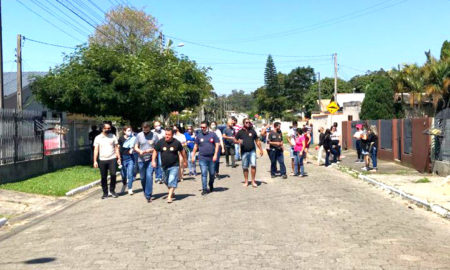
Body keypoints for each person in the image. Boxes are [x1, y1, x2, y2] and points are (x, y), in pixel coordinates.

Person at [152, 128, 187, 203]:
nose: (167, 136)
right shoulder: (161, 142)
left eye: (169, 135)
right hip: (164, 166)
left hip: (174, 165)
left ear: (172, 135)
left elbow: (182, 151)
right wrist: (153, 161)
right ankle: (172, 191)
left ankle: (169, 196)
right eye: (166, 134)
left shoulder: (176, 142)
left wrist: (185, 161)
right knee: (165, 180)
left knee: (172, 180)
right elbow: (155, 150)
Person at [93, 122, 121, 199]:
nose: (108, 129)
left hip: (112, 158)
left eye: (109, 128)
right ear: (102, 129)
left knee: (113, 175)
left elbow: (116, 148)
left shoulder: (113, 136)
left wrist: (119, 158)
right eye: (106, 128)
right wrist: (95, 161)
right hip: (102, 160)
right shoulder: (98, 138)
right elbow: (96, 150)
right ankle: (105, 193)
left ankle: (112, 190)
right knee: (103, 177)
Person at [191, 121, 220, 195]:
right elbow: (195, 146)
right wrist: (193, 155)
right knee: (204, 173)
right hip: (202, 158)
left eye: (204, 127)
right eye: (201, 127)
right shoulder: (199, 136)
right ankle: (204, 189)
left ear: (207, 127)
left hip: (211, 158)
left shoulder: (213, 135)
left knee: (212, 173)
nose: (202, 128)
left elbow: (217, 145)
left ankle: (211, 184)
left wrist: (215, 155)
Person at [134, 122, 158, 203]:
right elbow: (135, 147)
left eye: (146, 128)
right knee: (143, 178)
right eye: (144, 128)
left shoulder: (154, 135)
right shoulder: (139, 135)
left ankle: (148, 195)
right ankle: (145, 191)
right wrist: (139, 151)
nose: (145, 130)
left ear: (149, 127)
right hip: (141, 160)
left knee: (149, 176)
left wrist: (151, 150)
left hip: (151, 158)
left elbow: (157, 147)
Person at [235, 118, 263, 188]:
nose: (248, 123)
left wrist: (261, 149)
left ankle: (253, 181)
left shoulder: (253, 131)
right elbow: (235, 140)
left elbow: (257, 141)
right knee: (245, 167)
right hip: (244, 152)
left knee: (253, 165)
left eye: (249, 122)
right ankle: (246, 181)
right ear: (244, 123)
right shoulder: (240, 132)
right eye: (246, 122)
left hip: (252, 151)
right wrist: (238, 142)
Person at [118, 126, 136, 195]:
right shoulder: (121, 139)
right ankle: (124, 183)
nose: (130, 132)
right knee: (123, 175)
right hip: (123, 158)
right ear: (124, 131)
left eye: (130, 130)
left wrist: (132, 148)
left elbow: (136, 146)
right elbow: (118, 148)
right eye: (128, 130)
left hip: (130, 158)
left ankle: (130, 189)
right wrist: (118, 158)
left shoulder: (133, 138)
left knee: (130, 174)